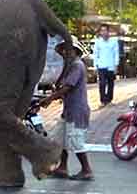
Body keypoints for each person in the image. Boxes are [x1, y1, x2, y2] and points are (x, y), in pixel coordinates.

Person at [41, 40, 94, 181]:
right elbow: (60, 85)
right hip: (68, 110)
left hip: (77, 111)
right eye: (63, 50)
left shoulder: (77, 66)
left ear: (75, 51)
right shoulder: (70, 67)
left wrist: (49, 99)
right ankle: (62, 167)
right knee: (61, 139)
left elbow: (67, 88)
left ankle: (87, 170)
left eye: (68, 50)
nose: (65, 53)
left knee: (76, 141)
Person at [93, 25, 118, 107]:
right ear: (100, 32)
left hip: (111, 66)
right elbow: (95, 54)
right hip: (101, 66)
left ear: (108, 31)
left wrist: (116, 65)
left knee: (111, 83)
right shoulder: (97, 42)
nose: (104, 32)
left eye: (105, 30)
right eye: (102, 31)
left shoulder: (114, 41)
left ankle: (109, 100)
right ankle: (103, 101)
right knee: (102, 83)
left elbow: (116, 54)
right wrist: (95, 66)